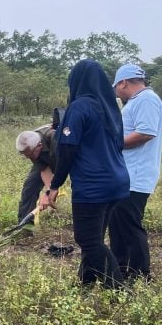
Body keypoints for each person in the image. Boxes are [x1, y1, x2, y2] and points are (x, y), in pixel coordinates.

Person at [42, 59, 129, 288]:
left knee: (87, 240)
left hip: (93, 185)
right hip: (117, 181)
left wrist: (54, 185)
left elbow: (68, 149)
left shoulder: (79, 106)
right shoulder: (111, 109)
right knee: (95, 237)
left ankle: (119, 289)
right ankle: (86, 281)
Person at [109, 63, 162, 281]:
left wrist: (112, 144)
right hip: (126, 175)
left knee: (130, 226)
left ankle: (140, 274)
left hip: (136, 176)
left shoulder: (146, 99)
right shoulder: (137, 101)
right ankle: (120, 269)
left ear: (123, 83)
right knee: (118, 224)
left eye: (116, 87)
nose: (116, 92)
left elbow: (145, 133)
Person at [15, 124, 57, 222]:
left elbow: (63, 166)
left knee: (79, 188)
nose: (28, 158)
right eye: (26, 156)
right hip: (50, 159)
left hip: (71, 160)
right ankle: (25, 224)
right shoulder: (30, 144)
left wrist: (52, 190)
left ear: (40, 145)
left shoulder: (54, 138)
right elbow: (44, 168)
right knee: (30, 186)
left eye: (30, 155)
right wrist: (49, 190)